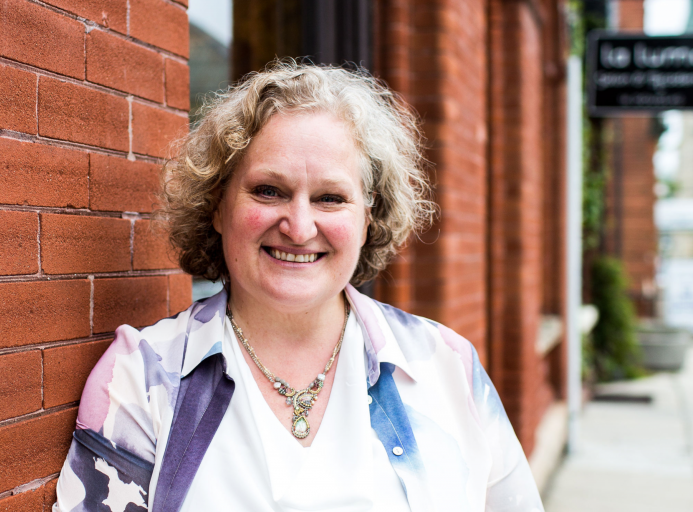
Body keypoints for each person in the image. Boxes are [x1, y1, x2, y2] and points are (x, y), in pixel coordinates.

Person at [53, 61, 544, 512]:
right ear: (218, 205)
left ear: (368, 219)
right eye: (269, 191)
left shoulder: (444, 367)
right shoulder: (143, 380)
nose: (300, 226)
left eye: (331, 197)